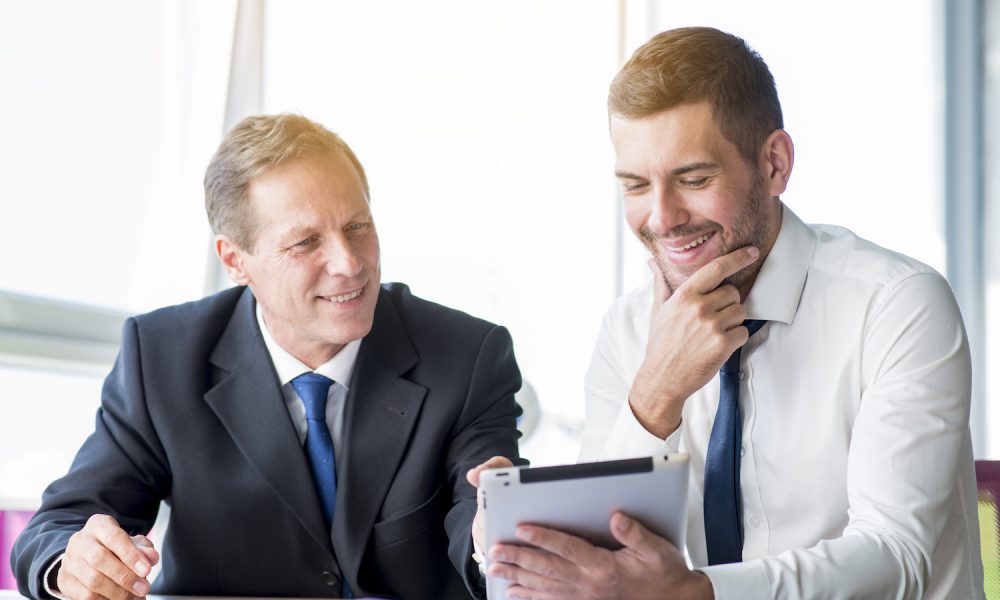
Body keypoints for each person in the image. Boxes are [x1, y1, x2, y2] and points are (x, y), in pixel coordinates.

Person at [479, 27, 984, 599]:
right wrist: (654, 394)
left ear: (774, 164)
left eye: (693, 179)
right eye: (636, 185)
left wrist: (695, 593)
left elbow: (897, 557)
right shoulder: (627, 330)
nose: (663, 218)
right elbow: (601, 567)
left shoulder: (896, 304)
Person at [12, 113, 523, 600]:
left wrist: (490, 534)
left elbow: (477, 509)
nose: (349, 264)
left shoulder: (468, 355)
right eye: (306, 243)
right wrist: (75, 564)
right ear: (236, 261)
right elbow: (59, 528)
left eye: (357, 227)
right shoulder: (162, 356)